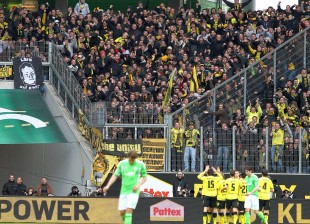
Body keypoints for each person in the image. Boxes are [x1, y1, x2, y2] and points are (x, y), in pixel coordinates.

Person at [103, 150, 147, 224]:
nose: (131, 161)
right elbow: (115, 175)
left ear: (135, 158)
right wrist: (107, 186)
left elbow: (144, 178)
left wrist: (138, 185)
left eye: (133, 160)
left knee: (129, 210)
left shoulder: (140, 165)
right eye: (130, 159)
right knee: (122, 212)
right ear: (128, 157)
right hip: (124, 191)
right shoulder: (122, 164)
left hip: (134, 192)